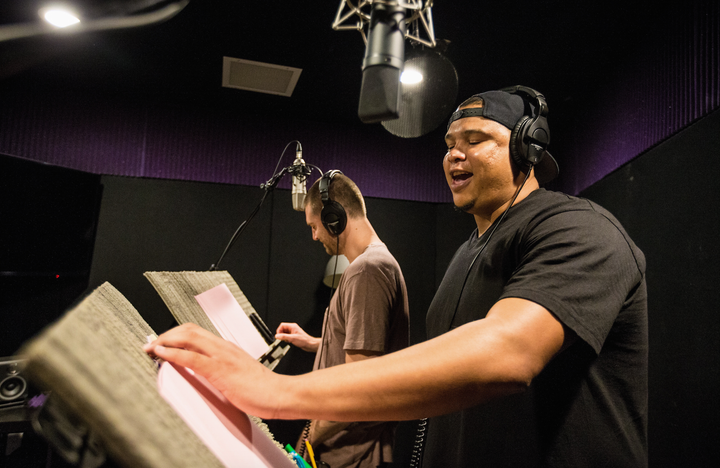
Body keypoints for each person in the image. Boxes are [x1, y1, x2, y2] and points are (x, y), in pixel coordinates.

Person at [145, 86, 648, 467]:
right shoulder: (469, 251)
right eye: (450, 143)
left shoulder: (578, 228)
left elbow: (507, 354)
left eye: (477, 140)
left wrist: (272, 393)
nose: (455, 154)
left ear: (526, 150)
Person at [277, 171, 410, 467]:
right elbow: (370, 348)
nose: (314, 236)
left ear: (333, 218)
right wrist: (316, 343)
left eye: (314, 226)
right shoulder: (374, 265)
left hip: (351, 455)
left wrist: (306, 441)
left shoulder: (367, 271)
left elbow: (358, 386)